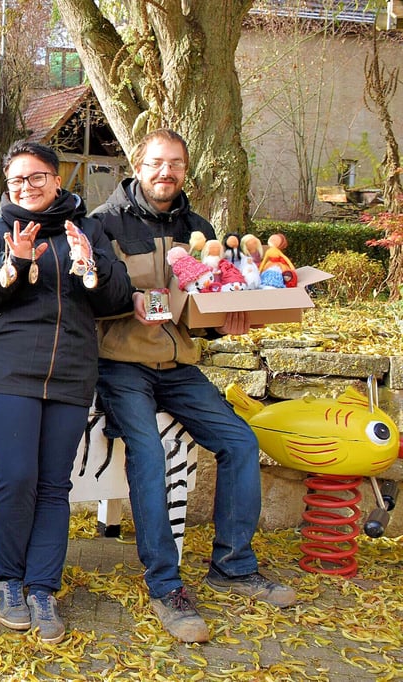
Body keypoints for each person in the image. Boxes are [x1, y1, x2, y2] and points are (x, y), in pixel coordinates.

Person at [90, 128, 297, 644]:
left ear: (186, 169)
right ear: (137, 165)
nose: (167, 173)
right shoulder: (102, 225)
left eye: (176, 164)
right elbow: (87, 299)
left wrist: (226, 319)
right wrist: (128, 301)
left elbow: (199, 307)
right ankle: (165, 585)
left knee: (241, 442)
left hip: (178, 366)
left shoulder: (199, 227)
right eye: (157, 163)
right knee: (149, 453)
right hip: (119, 365)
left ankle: (232, 565)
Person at [0, 141, 133, 643]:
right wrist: (10, 267)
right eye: (17, 180)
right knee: (16, 476)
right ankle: (9, 582)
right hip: (4, 373)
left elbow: (117, 298)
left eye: (37, 178)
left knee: (56, 485)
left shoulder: (90, 229)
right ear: (6, 186)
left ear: (56, 180)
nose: (27, 187)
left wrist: (89, 268)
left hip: (72, 374)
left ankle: (42, 589)